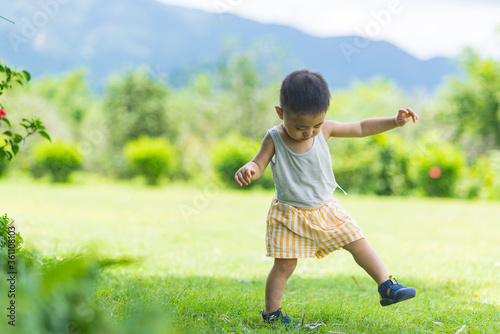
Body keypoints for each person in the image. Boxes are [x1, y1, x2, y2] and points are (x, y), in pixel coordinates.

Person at [234, 70, 418, 327]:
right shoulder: (274, 137)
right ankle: (272, 313)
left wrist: (394, 121)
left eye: (316, 125)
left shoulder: (326, 130)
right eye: (300, 127)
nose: (309, 132)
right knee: (285, 265)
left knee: (358, 242)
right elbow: (258, 162)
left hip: (326, 208)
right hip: (289, 213)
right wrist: (250, 170)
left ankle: (386, 286)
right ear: (280, 113)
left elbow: (362, 127)